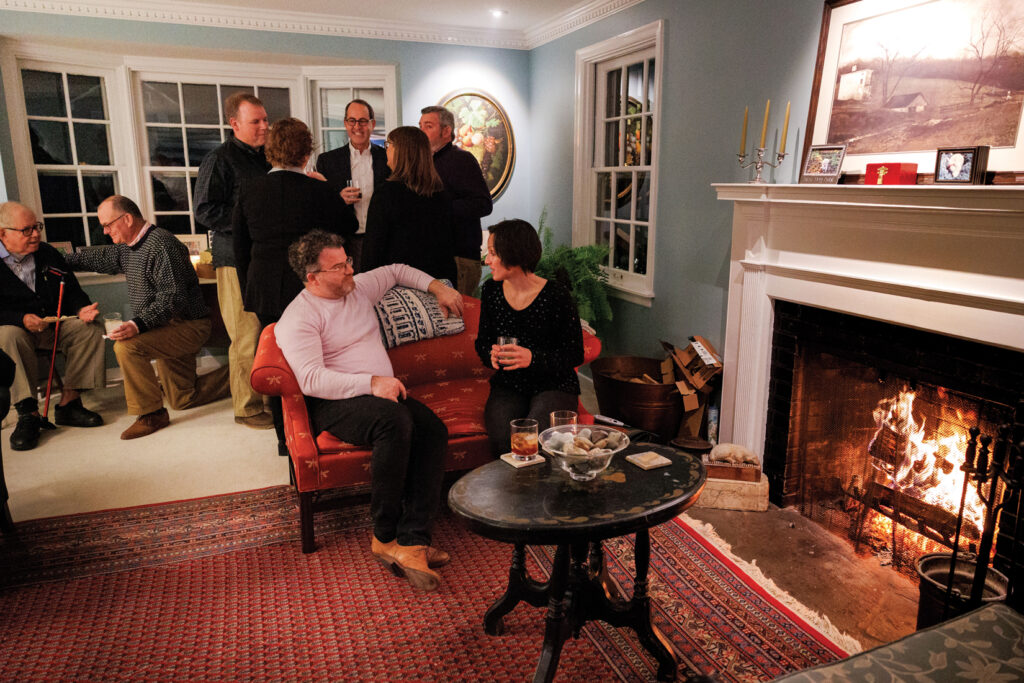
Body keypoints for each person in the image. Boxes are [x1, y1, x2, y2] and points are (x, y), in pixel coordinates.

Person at [275, 230, 463, 591]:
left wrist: (438, 288)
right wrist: (373, 382)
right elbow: (312, 379)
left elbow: (396, 270)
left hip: (381, 394)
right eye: (338, 267)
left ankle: (413, 539)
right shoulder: (299, 317)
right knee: (394, 421)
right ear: (313, 277)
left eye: (347, 260)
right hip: (334, 401)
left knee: (432, 430)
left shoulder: (358, 287)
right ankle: (384, 536)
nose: (350, 269)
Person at [233, 117, 355, 454]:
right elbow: (348, 226)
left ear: (271, 151)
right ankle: (317, 430)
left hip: (266, 288)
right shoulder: (319, 190)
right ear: (306, 153)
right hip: (310, 287)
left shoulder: (250, 189)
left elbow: (241, 247)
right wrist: (327, 187)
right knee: (317, 358)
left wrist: (249, 288)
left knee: (277, 362)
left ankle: (284, 438)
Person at [66, 196, 229, 440]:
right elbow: (99, 258)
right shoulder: (128, 248)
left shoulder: (162, 244)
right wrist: (55, 258)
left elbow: (173, 298)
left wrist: (137, 324)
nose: (105, 231)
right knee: (184, 398)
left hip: (188, 325)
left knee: (127, 348)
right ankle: (244, 373)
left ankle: (151, 414)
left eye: (108, 224)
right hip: (163, 325)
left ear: (127, 219)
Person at [194, 92, 274, 431]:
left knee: (267, 332)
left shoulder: (267, 158)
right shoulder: (219, 159)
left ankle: (269, 398)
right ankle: (246, 407)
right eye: (256, 121)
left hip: (264, 258)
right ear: (234, 123)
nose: (264, 126)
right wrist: (249, 221)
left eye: (265, 120)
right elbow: (204, 210)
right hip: (234, 260)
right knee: (245, 335)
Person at [0, 201, 105, 451]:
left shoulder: (47, 253)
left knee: (90, 329)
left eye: (37, 227)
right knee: (8, 336)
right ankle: (28, 414)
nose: (35, 234)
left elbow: (73, 292)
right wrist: (21, 319)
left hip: (52, 325)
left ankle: (70, 403)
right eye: (26, 230)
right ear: (3, 234)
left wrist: (82, 309)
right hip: (16, 329)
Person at [474, 219, 584, 458]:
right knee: (503, 440)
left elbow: (575, 353)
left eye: (492, 253)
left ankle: (546, 483)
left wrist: (532, 358)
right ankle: (511, 484)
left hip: (554, 383)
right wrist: (490, 354)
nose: (487, 260)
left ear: (513, 253)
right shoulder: (491, 291)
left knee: (537, 441)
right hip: (510, 384)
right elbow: (482, 342)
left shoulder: (556, 295)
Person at [362, 126, 457, 283]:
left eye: (388, 145)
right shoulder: (440, 193)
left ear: (401, 151)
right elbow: (447, 247)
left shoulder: (387, 193)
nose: (386, 149)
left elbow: (373, 250)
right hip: (437, 281)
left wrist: (366, 285)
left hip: (399, 284)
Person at [419, 105, 492, 295]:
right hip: (433, 256)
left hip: (460, 259)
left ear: (446, 131)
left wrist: (441, 207)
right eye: (420, 126)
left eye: (428, 126)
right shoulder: (424, 162)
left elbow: (483, 204)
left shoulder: (463, 160)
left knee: (459, 312)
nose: (421, 132)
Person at [313, 99, 389, 272]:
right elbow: (319, 207)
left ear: (372, 124)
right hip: (344, 242)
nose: (357, 127)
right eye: (352, 121)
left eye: (362, 121)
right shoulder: (327, 161)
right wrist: (338, 200)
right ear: (345, 123)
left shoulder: (388, 159)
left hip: (380, 240)